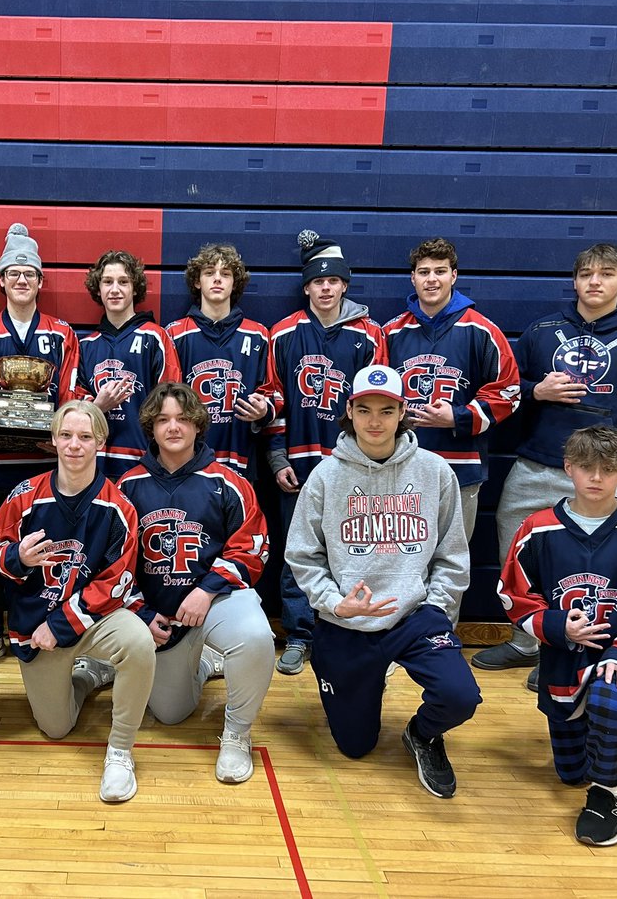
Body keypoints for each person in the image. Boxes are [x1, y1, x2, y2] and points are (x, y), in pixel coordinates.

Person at [474, 244, 617, 703]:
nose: (594, 282)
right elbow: (505, 392)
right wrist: (534, 390)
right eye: (586, 274)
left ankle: (566, 655)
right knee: (518, 559)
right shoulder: (543, 331)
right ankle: (529, 642)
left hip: (601, 476)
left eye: (606, 274)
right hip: (534, 465)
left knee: (586, 572)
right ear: (575, 280)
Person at [286, 365, 479, 799]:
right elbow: (302, 553)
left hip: (414, 616)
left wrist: (437, 608)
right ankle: (358, 678)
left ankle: (422, 734)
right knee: (356, 747)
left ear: (402, 413)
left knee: (460, 695)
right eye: (366, 409)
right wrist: (335, 603)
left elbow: (453, 553)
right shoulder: (325, 475)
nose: (376, 421)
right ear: (350, 411)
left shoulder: (434, 471)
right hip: (346, 622)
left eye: (387, 410)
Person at [498, 425, 617, 846]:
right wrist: (557, 626)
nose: (596, 477)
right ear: (568, 468)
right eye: (586, 467)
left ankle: (608, 794)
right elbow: (512, 592)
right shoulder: (536, 530)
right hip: (563, 658)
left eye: (609, 469)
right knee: (570, 774)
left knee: (609, 697)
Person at [0, 400, 158, 802]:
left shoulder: (119, 506)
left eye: (84, 436)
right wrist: (19, 559)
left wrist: (60, 625)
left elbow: (117, 582)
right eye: (66, 435)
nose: (74, 445)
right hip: (35, 624)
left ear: (100, 440)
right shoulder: (24, 495)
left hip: (90, 620)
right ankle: (88, 675)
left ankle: (120, 750)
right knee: (56, 728)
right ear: (53, 440)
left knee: (138, 642)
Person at [118, 383, 274, 783]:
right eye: (164, 419)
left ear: (198, 425)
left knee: (257, 637)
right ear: (150, 427)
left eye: (183, 419)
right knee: (170, 714)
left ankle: (237, 734)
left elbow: (252, 546)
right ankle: (204, 661)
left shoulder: (227, 481)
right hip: (161, 615)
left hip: (215, 600)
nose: (174, 427)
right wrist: (143, 612)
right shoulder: (126, 487)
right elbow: (113, 563)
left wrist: (206, 589)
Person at [0, 223, 82, 673]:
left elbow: (68, 394)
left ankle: (39, 624)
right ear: (1, 280)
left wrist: (66, 428)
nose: (22, 280)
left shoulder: (63, 334)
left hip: (47, 462)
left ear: (41, 281)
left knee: (45, 547)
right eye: (14, 273)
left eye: (30, 273)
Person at [269, 231, 387, 675]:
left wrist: (370, 461)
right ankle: (299, 634)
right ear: (306, 287)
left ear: (344, 285)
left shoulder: (370, 335)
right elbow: (274, 398)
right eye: (317, 282)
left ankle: (346, 631)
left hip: (350, 466)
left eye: (333, 281)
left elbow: (379, 406)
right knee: (297, 552)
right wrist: (278, 459)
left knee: (353, 550)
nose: (325, 288)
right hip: (297, 467)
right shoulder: (283, 334)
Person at [382, 238, 520, 592]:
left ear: (454, 276)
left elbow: (509, 392)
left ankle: (439, 639)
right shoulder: (390, 333)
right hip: (400, 467)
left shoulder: (482, 330)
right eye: (423, 272)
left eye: (440, 271)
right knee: (399, 557)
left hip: (461, 468)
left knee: (450, 562)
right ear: (412, 278)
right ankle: (400, 638)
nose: (432, 279)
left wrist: (457, 417)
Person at [165, 243, 280, 477]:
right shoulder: (175, 334)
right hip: (188, 463)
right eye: (209, 273)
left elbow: (272, 392)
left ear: (234, 283)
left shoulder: (257, 334)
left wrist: (263, 411)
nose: (217, 279)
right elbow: (165, 398)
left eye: (225, 274)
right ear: (197, 282)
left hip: (242, 459)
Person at [76, 250, 181, 480]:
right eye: (107, 282)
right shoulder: (85, 346)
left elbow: (172, 402)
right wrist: (97, 407)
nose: (115, 289)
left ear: (135, 288)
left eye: (123, 282)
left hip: (146, 466)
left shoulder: (156, 338)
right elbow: (74, 406)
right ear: (98, 289)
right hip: (93, 467)